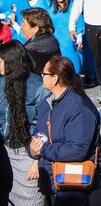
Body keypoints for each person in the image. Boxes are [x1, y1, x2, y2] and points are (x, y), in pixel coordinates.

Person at [30, 55, 101, 206]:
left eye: (44, 74)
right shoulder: (47, 103)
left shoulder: (79, 108)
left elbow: (77, 149)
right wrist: (34, 149)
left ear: (55, 78)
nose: (41, 77)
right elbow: (39, 133)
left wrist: (43, 149)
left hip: (71, 185)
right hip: (52, 179)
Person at [0, 41, 48, 206]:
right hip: (6, 152)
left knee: (32, 201)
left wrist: (37, 160)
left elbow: (45, 126)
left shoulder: (37, 87)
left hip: (28, 154)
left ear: (11, 61)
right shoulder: (2, 83)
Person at [20, 8, 61, 75]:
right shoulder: (52, 43)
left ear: (35, 29)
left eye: (23, 22)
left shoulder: (31, 52)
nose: (21, 27)